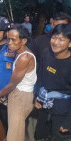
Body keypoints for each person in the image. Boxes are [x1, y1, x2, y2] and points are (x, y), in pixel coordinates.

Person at [0, 24, 37, 141]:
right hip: (16, 96)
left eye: (13, 40)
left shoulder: (24, 58)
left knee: (14, 135)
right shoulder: (20, 53)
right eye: (8, 39)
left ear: (24, 41)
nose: (9, 43)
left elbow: (12, 84)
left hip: (21, 97)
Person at [28, 12, 71, 141]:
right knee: (40, 137)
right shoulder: (47, 54)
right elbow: (40, 77)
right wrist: (36, 97)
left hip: (63, 113)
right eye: (54, 37)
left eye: (61, 39)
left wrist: (69, 122)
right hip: (44, 108)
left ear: (70, 44)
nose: (56, 42)